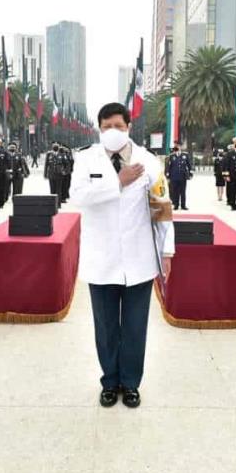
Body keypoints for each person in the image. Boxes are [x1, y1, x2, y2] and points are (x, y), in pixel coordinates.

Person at [69, 102, 175, 409]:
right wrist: (118, 183)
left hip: (139, 258)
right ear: (98, 129)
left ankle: (130, 383)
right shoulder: (86, 158)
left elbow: (162, 207)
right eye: (105, 127)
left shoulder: (149, 162)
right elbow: (77, 196)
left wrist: (167, 250)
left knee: (134, 326)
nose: (111, 132)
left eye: (117, 126)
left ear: (128, 126)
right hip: (101, 258)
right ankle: (109, 381)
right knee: (105, 328)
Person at [165, 141, 193, 210]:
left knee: (183, 191)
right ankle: (176, 205)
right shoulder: (172, 156)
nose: (177, 147)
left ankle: (183, 205)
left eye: (179, 146)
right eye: (176, 146)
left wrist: (190, 173)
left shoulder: (185, 155)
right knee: (175, 191)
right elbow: (168, 166)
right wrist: (168, 175)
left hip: (183, 176)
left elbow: (189, 165)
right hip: (174, 177)